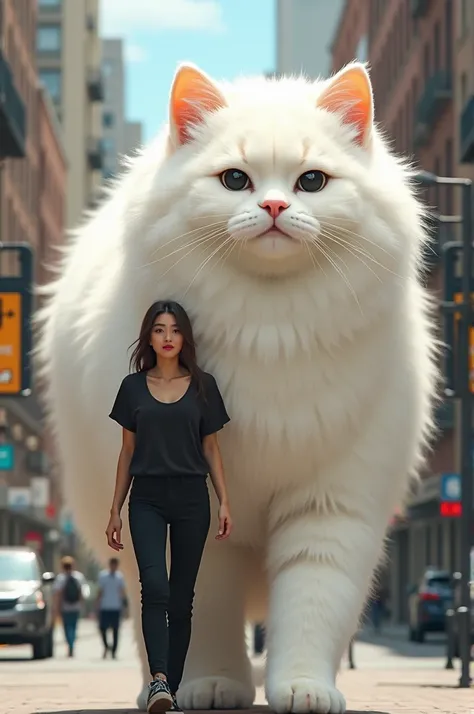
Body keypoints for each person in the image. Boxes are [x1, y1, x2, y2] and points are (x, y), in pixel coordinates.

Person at [106, 300, 233, 714]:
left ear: (185, 338)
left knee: (181, 599)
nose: (167, 337)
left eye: (175, 330)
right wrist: (115, 509)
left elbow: (211, 448)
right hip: (146, 498)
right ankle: (159, 678)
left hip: (193, 498)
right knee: (154, 588)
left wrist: (225, 500)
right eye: (159, 329)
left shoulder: (204, 386)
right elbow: (127, 452)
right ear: (149, 336)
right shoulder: (132, 388)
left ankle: (168, 691)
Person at [53, 555, 88, 657]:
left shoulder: (60, 578)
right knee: (74, 627)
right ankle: (72, 644)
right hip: (75, 607)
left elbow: (58, 594)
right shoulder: (79, 577)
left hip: (65, 607)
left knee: (67, 627)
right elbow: (82, 592)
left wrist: (56, 607)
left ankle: (70, 644)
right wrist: (81, 604)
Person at [96, 557, 126, 659]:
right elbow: (100, 591)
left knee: (115, 630)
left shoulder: (119, 577)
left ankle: (114, 651)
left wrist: (124, 606)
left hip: (116, 607)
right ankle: (106, 646)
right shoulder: (103, 576)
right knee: (103, 629)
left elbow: (122, 591)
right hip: (105, 606)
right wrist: (97, 604)